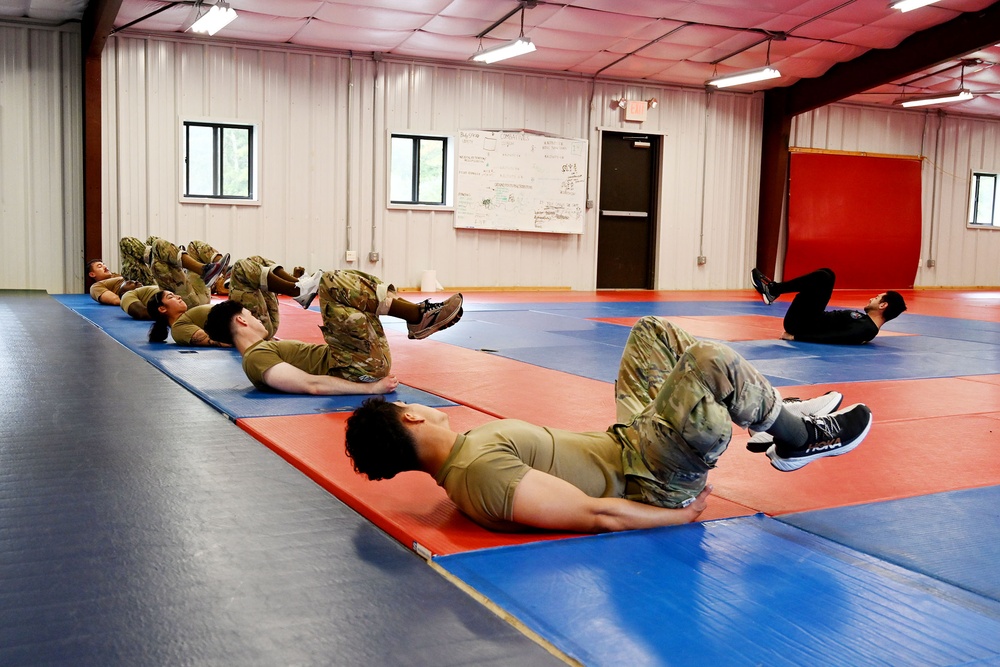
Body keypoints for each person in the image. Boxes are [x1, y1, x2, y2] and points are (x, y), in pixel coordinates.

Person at [343, 317, 873, 533]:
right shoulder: (480, 473)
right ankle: (799, 438)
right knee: (710, 361)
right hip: (652, 476)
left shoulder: (466, 454)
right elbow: (596, 514)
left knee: (650, 333)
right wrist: (677, 519)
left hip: (632, 441)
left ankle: (770, 414)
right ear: (410, 414)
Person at [202, 269, 464, 395]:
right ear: (242, 322)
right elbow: (311, 385)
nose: (260, 317)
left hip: (357, 360)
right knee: (331, 281)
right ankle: (418, 316)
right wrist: (371, 389)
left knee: (354, 284)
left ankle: (416, 317)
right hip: (354, 368)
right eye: (252, 315)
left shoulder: (263, 347)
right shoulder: (255, 358)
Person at [147, 256, 315, 345]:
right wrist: (250, 340)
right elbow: (214, 341)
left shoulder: (188, 316)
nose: (177, 296)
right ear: (162, 309)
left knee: (256, 260)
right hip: (247, 325)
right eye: (171, 297)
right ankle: (298, 291)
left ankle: (298, 285)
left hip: (255, 322)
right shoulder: (178, 328)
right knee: (241, 267)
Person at [751, 267, 906, 345]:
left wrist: (797, 337)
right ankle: (773, 290)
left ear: (883, 305)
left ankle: (773, 290)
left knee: (823, 277)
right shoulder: (866, 323)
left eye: (877, 298)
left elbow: (835, 338)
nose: (872, 298)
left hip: (802, 325)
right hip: (811, 319)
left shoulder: (868, 329)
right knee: (828, 274)